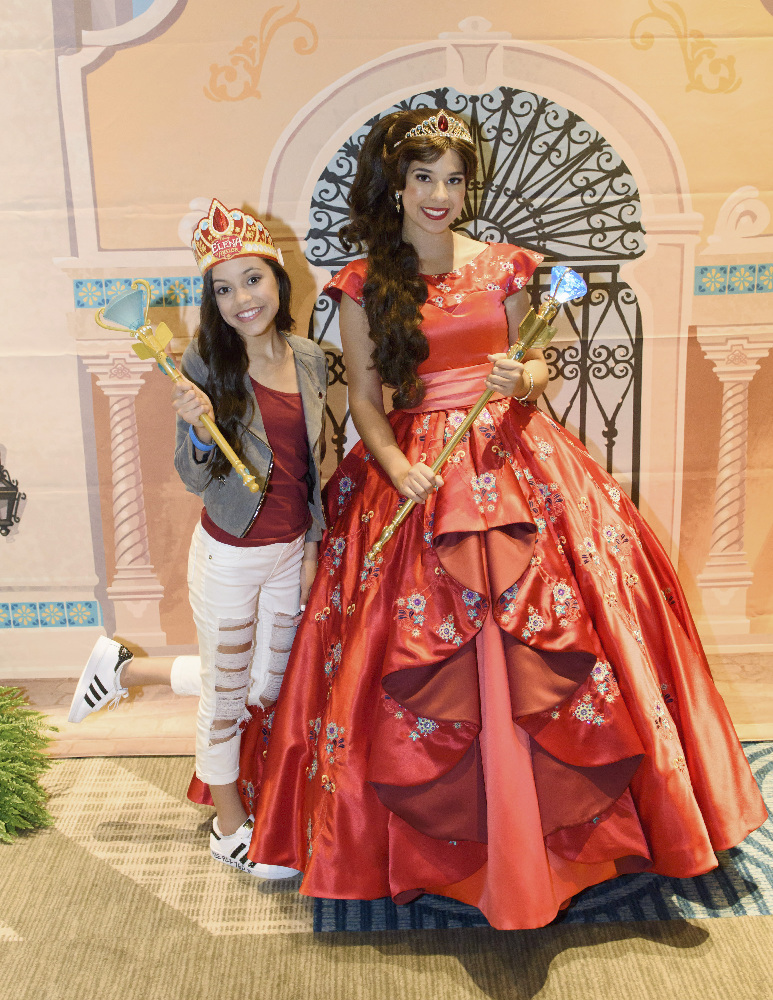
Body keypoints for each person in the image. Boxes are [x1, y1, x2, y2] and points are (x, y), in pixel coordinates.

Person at [235, 108, 767, 928]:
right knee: (426, 650)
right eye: (423, 178)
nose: (440, 194)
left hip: (516, 459)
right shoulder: (363, 283)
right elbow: (366, 399)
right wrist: (397, 466)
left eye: (453, 179)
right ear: (396, 187)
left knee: (555, 639)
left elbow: (535, 363)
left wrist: (526, 376)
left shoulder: (506, 267)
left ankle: (576, 835)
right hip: (417, 472)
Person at [68, 199, 328, 878]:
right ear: (212, 301)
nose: (243, 299)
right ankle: (228, 826)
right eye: (223, 289)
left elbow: (316, 464)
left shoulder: (310, 358)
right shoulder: (205, 365)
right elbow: (192, 474)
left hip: (288, 554)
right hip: (229, 557)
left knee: (264, 688)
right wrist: (197, 426)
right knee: (226, 695)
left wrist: (311, 546)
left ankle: (124, 670)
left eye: (253, 279)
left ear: (278, 279)